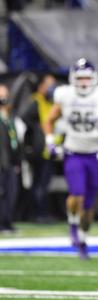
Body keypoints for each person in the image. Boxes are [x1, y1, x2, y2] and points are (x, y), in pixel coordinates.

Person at [43, 58, 98, 259]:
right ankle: (72, 224)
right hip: (73, 153)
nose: (84, 82)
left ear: (94, 78)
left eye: (87, 77)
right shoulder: (65, 95)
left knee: (88, 206)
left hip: (94, 155)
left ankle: (83, 237)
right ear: (72, 78)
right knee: (76, 193)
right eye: (80, 78)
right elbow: (49, 121)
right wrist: (51, 142)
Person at [20, 74, 57, 222]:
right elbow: (24, 117)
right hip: (39, 151)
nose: (52, 88)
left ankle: (40, 213)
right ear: (41, 86)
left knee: (43, 184)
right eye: (49, 84)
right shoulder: (36, 101)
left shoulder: (50, 102)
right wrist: (37, 131)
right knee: (39, 184)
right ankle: (38, 214)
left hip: (49, 150)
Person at [0, 84, 22, 234]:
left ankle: (7, 222)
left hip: (10, 163)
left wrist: (17, 161)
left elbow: (14, 142)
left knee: (11, 193)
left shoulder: (10, 118)